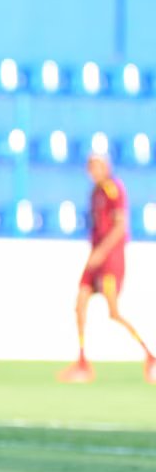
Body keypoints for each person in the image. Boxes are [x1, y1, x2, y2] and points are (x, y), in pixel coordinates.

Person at [59, 155, 155, 384]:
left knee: (113, 312)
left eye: (96, 167)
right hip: (95, 257)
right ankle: (82, 362)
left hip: (110, 259)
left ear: (106, 167)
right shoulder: (95, 193)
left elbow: (120, 227)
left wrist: (101, 252)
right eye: (90, 167)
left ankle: (150, 355)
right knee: (80, 304)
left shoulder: (114, 190)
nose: (92, 171)